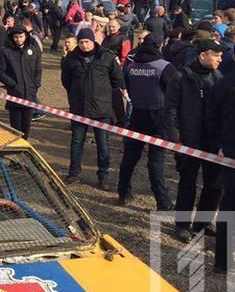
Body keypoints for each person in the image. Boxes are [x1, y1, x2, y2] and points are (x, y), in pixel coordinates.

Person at [164, 39, 224, 241]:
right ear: (203, 55)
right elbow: (171, 109)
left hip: (212, 142)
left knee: (214, 184)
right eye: (216, 55)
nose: (220, 59)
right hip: (188, 141)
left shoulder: (218, 77)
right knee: (187, 183)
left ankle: (203, 222)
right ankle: (182, 225)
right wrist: (176, 140)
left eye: (221, 55)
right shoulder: (181, 77)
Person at [116, 36, 175, 209]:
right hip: (159, 119)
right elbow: (173, 91)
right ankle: (163, 203)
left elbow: (126, 86)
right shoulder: (164, 67)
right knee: (155, 163)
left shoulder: (131, 66)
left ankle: (123, 192)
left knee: (129, 158)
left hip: (137, 116)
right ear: (158, 46)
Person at [61, 28, 123, 189]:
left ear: (93, 41)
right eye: (81, 42)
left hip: (101, 109)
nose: (84, 45)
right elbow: (66, 81)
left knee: (103, 144)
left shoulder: (106, 57)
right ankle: (74, 173)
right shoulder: (71, 58)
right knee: (76, 142)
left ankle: (103, 176)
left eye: (86, 42)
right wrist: (76, 95)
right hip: (79, 108)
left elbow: (117, 80)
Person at [209, 37, 235, 272]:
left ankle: (222, 261)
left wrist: (220, 144)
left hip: (232, 153)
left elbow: (211, 119)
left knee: (230, 205)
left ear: (234, 56)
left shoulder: (222, 84)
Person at [0, 25, 41, 138]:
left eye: (21, 36)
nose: (18, 39)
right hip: (15, 94)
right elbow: (0, 72)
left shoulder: (34, 50)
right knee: (15, 128)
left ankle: (24, 146)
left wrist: (36, 85)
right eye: (16, 37)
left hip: (30, 94)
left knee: (26, 127)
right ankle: (16, 147)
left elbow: (38, 70)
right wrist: (12, 84)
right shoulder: (6, 52)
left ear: (26, 36)